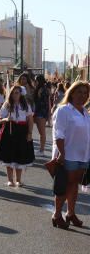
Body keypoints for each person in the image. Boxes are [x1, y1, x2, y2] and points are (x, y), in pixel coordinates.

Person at [51, 81, 90, 229]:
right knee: (64, 186)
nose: (82, 95)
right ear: (72, 93)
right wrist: (61, 152)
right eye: (79, 92)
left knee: (74, 186)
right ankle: (56, 215)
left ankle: (70, 213)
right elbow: (59, 133)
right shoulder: (64, 110)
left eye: (85, 93)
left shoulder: (85, 112)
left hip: (83, 155)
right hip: (68, 154)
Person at [0, 84, 35, 187]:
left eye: (17, 93)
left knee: (20, 155)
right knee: (9, 155)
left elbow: (30, 120)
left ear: (20, 94)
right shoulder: (7, 105)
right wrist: (6, 119)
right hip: (10, 130)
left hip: (22, 131)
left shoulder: (26, 105)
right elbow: (0, 119)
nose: (14, 95)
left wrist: (30, 133)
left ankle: (18, 180)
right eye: (13, 93)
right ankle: (10, 180)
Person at [33, 75, 51, 156]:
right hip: (42, 112)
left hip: (40, 112)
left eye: (36, 80)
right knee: (42, 132)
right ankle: (41, 149)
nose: (35, 82)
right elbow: (48, 102)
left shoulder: (41, 89)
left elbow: (41, 103)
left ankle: (42, 150)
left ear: (39, 81)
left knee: (42, 133)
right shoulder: (46, 89)